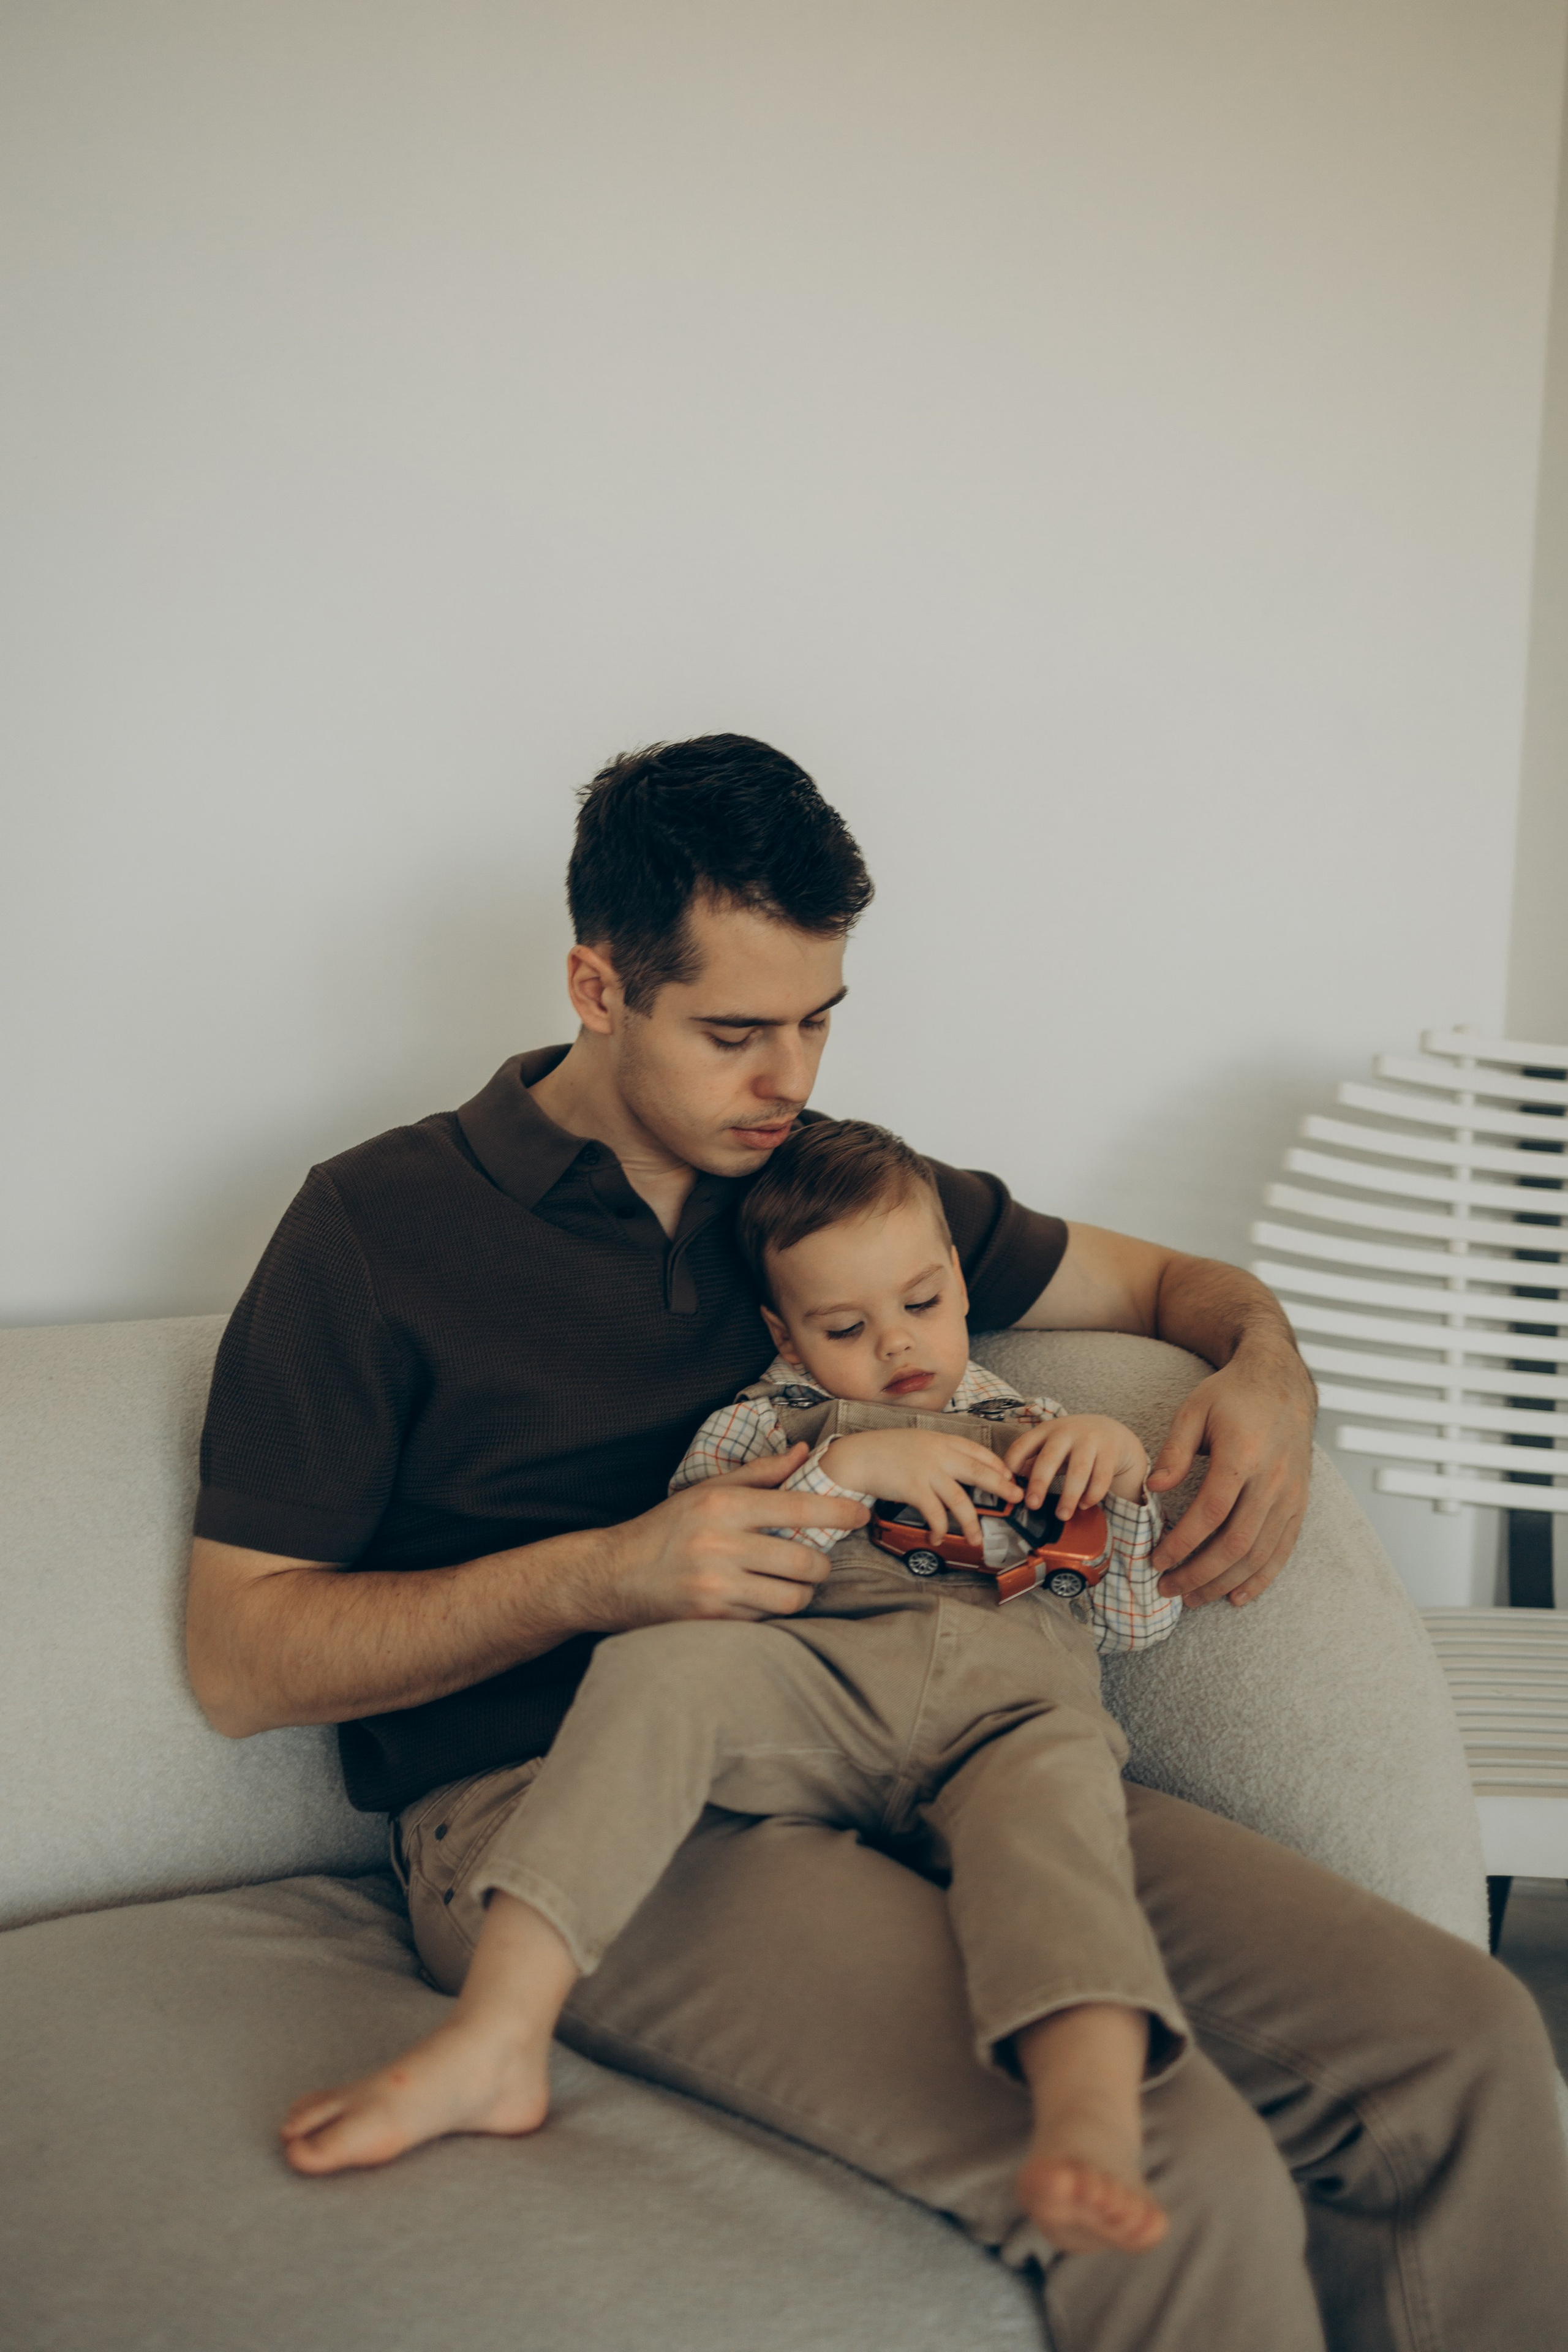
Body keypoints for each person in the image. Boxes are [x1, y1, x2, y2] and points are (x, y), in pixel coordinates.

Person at [186, 734, 1568, 2351]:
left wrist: (1270, 1379)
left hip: (949, 1722)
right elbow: (239, 1658)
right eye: (736, 1032)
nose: (790, 1077)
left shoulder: (836, 1201)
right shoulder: (374, 1227)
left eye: (821, 1019)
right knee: (1173, 2169)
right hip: (579, 1796)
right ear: (596, 985)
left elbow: (1181, 1288)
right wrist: (607, 1571)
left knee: (1460, 2043)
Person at [283, 1118, 1188, 2255]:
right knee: (659, 1671)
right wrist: (845, 1467)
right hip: (818, 1682)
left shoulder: (1041, 1430)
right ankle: (499, 2036)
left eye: (920, 1304)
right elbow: (695, 1568)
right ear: (787, 1334)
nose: (898, 1349)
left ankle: (1089, 2117)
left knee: (1063, 1829)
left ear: (962, 1284)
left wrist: (1118, 1478)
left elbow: (1140, 1623)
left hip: (1011, 1709)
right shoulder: (765, 1420)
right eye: (846, 1329)